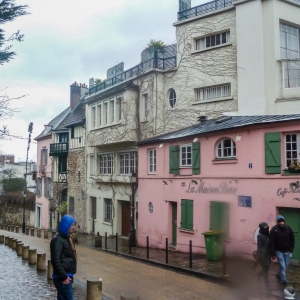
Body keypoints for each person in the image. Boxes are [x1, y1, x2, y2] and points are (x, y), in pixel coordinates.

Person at [50, 215, 78, 300]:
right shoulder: (58, 240)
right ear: (66, 225)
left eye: (74, 225)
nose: (74, 227)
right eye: (72, 225)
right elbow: (56, 260)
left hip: (67, 275)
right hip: (63, 277)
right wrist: (64, 277)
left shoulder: (66, 238)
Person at [270, 215, 295, 285]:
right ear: (278, 222)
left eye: (282, 221)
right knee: (283, 266)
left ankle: (278, 273)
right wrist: (273, 253)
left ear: (284, 221)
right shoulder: (274, 230)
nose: (281, 223)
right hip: (279, 251)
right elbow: (272, 242)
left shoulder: (288, 228)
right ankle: (284, 280)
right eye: (280, 222)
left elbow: (292, 239)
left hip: (287, 251)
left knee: (286, 266)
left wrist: (291, 249)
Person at [256, 222, 271, 290]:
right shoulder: (260, 235)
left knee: (266, 270)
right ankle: (267, 287)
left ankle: (258, 275)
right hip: (263, 256)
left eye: (267, 227)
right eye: (265, 228)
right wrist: (258, 259)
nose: (266, 229)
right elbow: (259, 247)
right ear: (262, 228)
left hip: (268, 255)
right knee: (265, 272)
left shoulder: (268, 234)